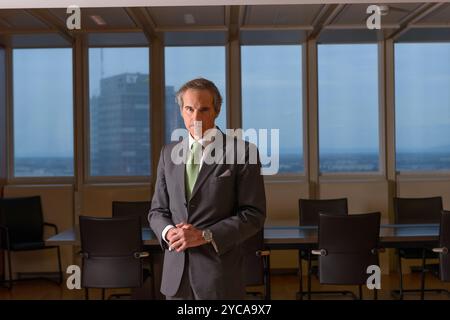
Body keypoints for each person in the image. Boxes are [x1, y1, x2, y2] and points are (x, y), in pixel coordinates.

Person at [148, 78, 266, 300]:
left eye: (203, 109)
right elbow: (157, 211)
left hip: (219, 278)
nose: (196, 117)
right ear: (182, 110)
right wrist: (169, 232)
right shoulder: (168, 153)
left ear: (217, 110)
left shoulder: (244, 152)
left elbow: (254, 215)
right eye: (189, 109)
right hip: (175, 277)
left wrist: (205, 235)